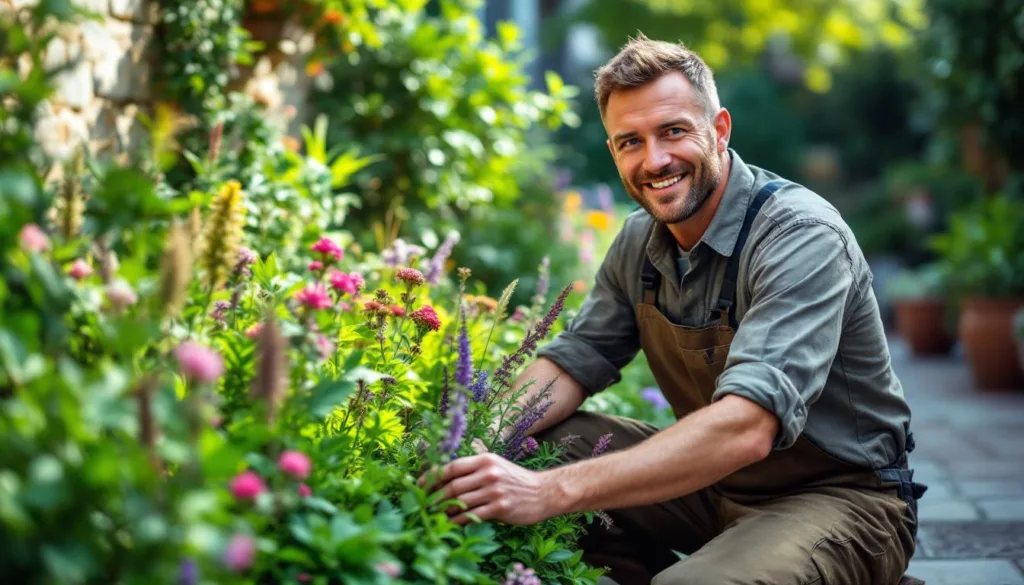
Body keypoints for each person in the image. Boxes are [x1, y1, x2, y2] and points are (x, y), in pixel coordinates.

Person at [423, 34, 927, 585]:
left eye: (673, 131)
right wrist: (481, 440)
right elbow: (577, 358)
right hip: (717, 490)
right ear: (613, 151)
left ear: (720, 129)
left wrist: (547, 492)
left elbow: (747, 427)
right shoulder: (641, 241)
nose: (655, 159)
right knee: (536, 446)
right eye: (630, 142)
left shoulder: (800, 236)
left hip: (843, 500)